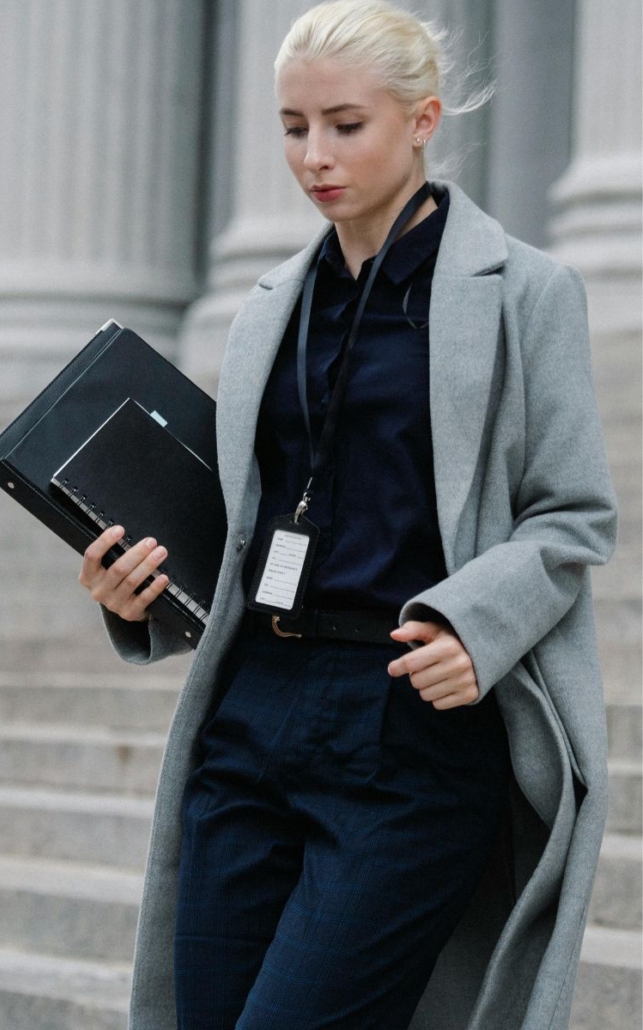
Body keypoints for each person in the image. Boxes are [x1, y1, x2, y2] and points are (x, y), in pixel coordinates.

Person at [78, 2, 617, 1028]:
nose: (314, 155)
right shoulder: (267, 304)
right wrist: (136, 592)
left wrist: (477, 622)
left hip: (409, 724)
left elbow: (573, 514)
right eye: (293, 127)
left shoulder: (526, 293)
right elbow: (242, 526)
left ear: (422, 120)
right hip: (252, 709)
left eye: (344, 124)